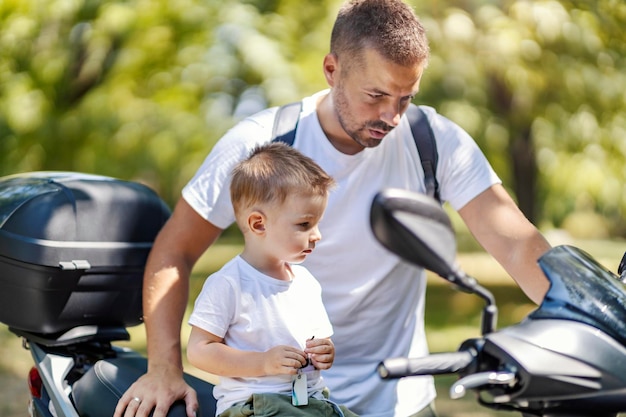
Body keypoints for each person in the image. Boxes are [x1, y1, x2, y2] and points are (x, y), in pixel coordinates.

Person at [115, 0, 552, 416]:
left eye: (405, 98)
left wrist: (591, 316)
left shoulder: (434, 142)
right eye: (376, 95)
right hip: (282, 402)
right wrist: (163, 369)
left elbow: (515, 243)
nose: (392, 116)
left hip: (401, 397)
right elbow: (175, 250)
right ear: (331, 69)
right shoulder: (260, 145)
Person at [186, 142, 356, 417]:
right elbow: (199, 351)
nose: (317, 235)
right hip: (255, 406)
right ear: (258, 224)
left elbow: (317, 336)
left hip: (312, 403)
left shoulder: (305, 282)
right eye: (304, 224)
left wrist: (326, 351)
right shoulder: (229, 283)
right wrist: (263, 362)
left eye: (317, 223)